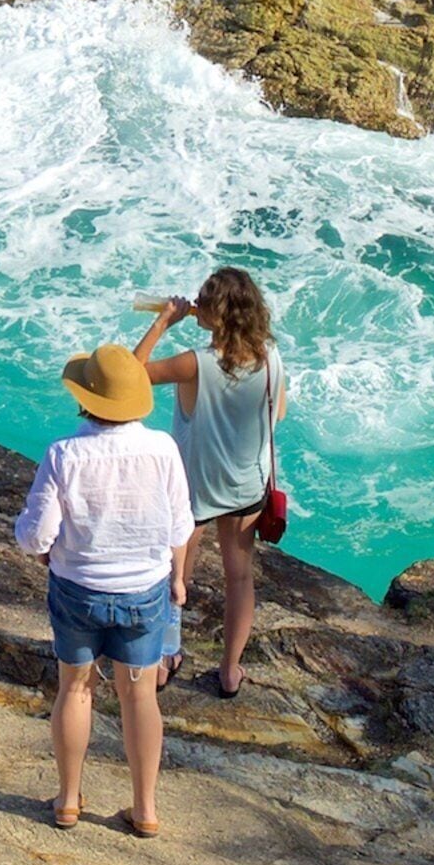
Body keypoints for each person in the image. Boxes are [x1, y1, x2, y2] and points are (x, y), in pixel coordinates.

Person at [14, 341, 192, 837]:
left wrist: (35, 543)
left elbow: (36, 536)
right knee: (139, 698)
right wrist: (177, 580)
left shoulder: (64, 454)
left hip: (77, 591)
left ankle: (68, 801)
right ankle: (145, 809)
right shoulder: (162, 449)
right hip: (144, 592)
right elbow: (181, 527)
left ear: (85, 398)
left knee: (74, 688)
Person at [133, 267, 286, 695]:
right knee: (239, 577)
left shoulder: (195, 364)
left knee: (175, 574)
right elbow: (280, 414)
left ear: (212, 314)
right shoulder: (271, 357)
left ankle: (166, 657)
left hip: (195, 488)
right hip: (246, 487)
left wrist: (163, 321)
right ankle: (230, 670)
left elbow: (128, 374)